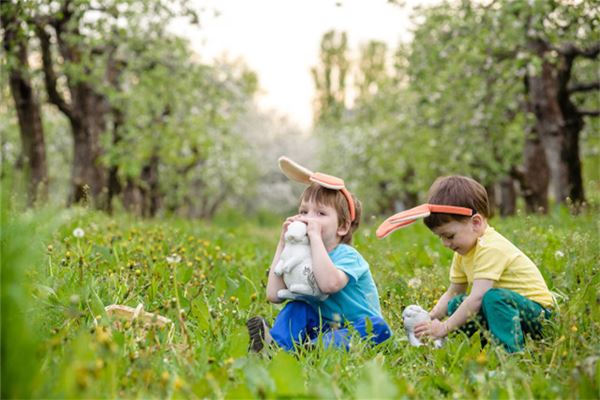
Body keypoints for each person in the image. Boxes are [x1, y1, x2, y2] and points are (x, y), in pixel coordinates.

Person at [376, 175, 554, 353]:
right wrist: (430, 318)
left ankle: (509, 354)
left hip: (538, 315)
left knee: (492, 298)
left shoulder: (490, 248)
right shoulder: (465, 251)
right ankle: (481, 345)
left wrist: (444, 328)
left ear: (475, 223)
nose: (445, 243)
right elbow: (453, 292)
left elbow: (477, 298)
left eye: (449, 236)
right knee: (456, 303)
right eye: (441, 237)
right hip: (506, 312)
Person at [247, 180, 391, 352]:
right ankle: (275, 346)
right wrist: (283, 243)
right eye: (303, 212)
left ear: (343, 227)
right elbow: (273, 295)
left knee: (376, 326)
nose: (308, 219)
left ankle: (317, 348)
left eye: (320, 213)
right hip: (322, 326)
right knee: (298, 306)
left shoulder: (348, 255)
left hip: (356, 328)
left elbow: (329, 284)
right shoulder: (301, 257)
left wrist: (314, 236)